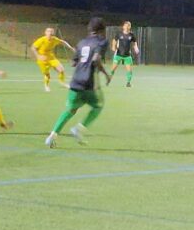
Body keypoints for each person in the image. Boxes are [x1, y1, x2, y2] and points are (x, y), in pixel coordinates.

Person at [46, 17, 110, 147]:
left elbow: (73, 63)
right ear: (102, 30)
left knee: (70, 109)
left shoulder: (81, 42)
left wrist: (81, 58)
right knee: (98, 105)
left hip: (75, 81)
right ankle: (78, 129)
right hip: (89, 82)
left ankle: (52, 136)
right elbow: (96, 60)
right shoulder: (102, 42)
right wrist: (106, 74)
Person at [30, 27, 73, 91]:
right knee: (47, 75)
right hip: (42, 59)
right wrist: (38, 56)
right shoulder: (41, 40)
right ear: (45, 33)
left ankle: (62, 83)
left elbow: (62, 42)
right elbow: (33, 47)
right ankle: (46, 86)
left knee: (61, 70)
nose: (50, 33)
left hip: (51, 58)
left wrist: (70, 47)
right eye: (48, 31)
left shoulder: (54, 39)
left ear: (53, 33)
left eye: (51, 31)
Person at [107, 21, 139, 87]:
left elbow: (135, 42)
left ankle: (128, 83)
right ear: (123, 26)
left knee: (129, 70)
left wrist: (136, 48)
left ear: (129, 27)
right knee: (113, 69)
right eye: (125, 25)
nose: (126, 27)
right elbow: (114, 40)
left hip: (127, 56)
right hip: (118, 54)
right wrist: (113, 46)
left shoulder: (131, 35)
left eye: (128, 25)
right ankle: (109, 79)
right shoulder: (119, 34)